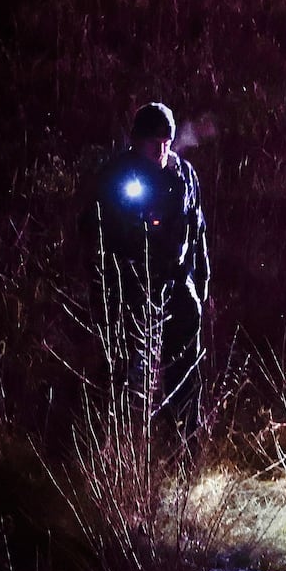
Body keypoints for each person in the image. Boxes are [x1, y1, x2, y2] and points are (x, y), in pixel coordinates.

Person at [80, 102, 210, 439]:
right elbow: (98, 235)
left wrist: (201, 282)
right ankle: (123, 447)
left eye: (166, 139)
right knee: (126, 376)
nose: (161, 147)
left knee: (184, 369)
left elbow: (198, 230)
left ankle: (184, 438)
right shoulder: (118, 176)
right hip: (132, 286)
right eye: (153, 140)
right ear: (137, 141)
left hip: (177, 283)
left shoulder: (184, 175)